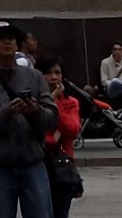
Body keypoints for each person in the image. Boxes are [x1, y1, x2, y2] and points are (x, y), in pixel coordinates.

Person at [0, 21, 57, 218]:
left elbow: (52, 118)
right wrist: (7, 112)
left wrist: (34, 110)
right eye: (1, 39)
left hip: (33, 164)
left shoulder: (34, 77)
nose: (7, 43)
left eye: (11, 39)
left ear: (17, 45)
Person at [37, 58, 83, 218]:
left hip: (61, 168)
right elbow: (40, 135)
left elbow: (72, 128)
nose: (54, 77)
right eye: (48, 73)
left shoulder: (71, 102)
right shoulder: (33, 103)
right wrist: (54, 137)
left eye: (57, 73)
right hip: (37, 165)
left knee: (60, 212)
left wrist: (54, 102)